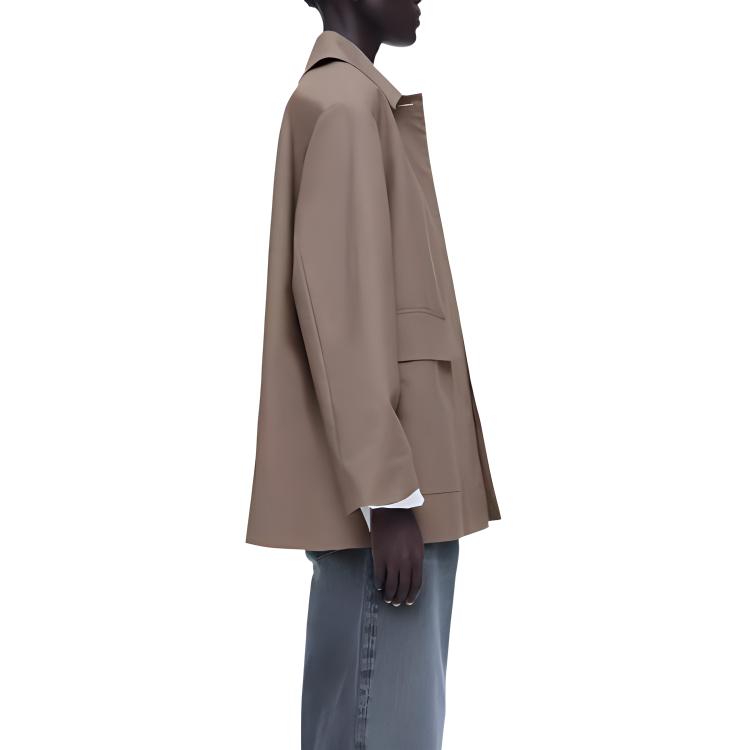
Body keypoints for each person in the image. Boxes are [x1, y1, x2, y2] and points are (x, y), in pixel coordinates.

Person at [245, 2, 500, 747]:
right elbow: (340, 312)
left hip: (403, 492)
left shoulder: (353, 103)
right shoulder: (345, 106)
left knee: (380, 719)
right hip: (391, 504)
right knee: (385, 726)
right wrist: (388, 497)